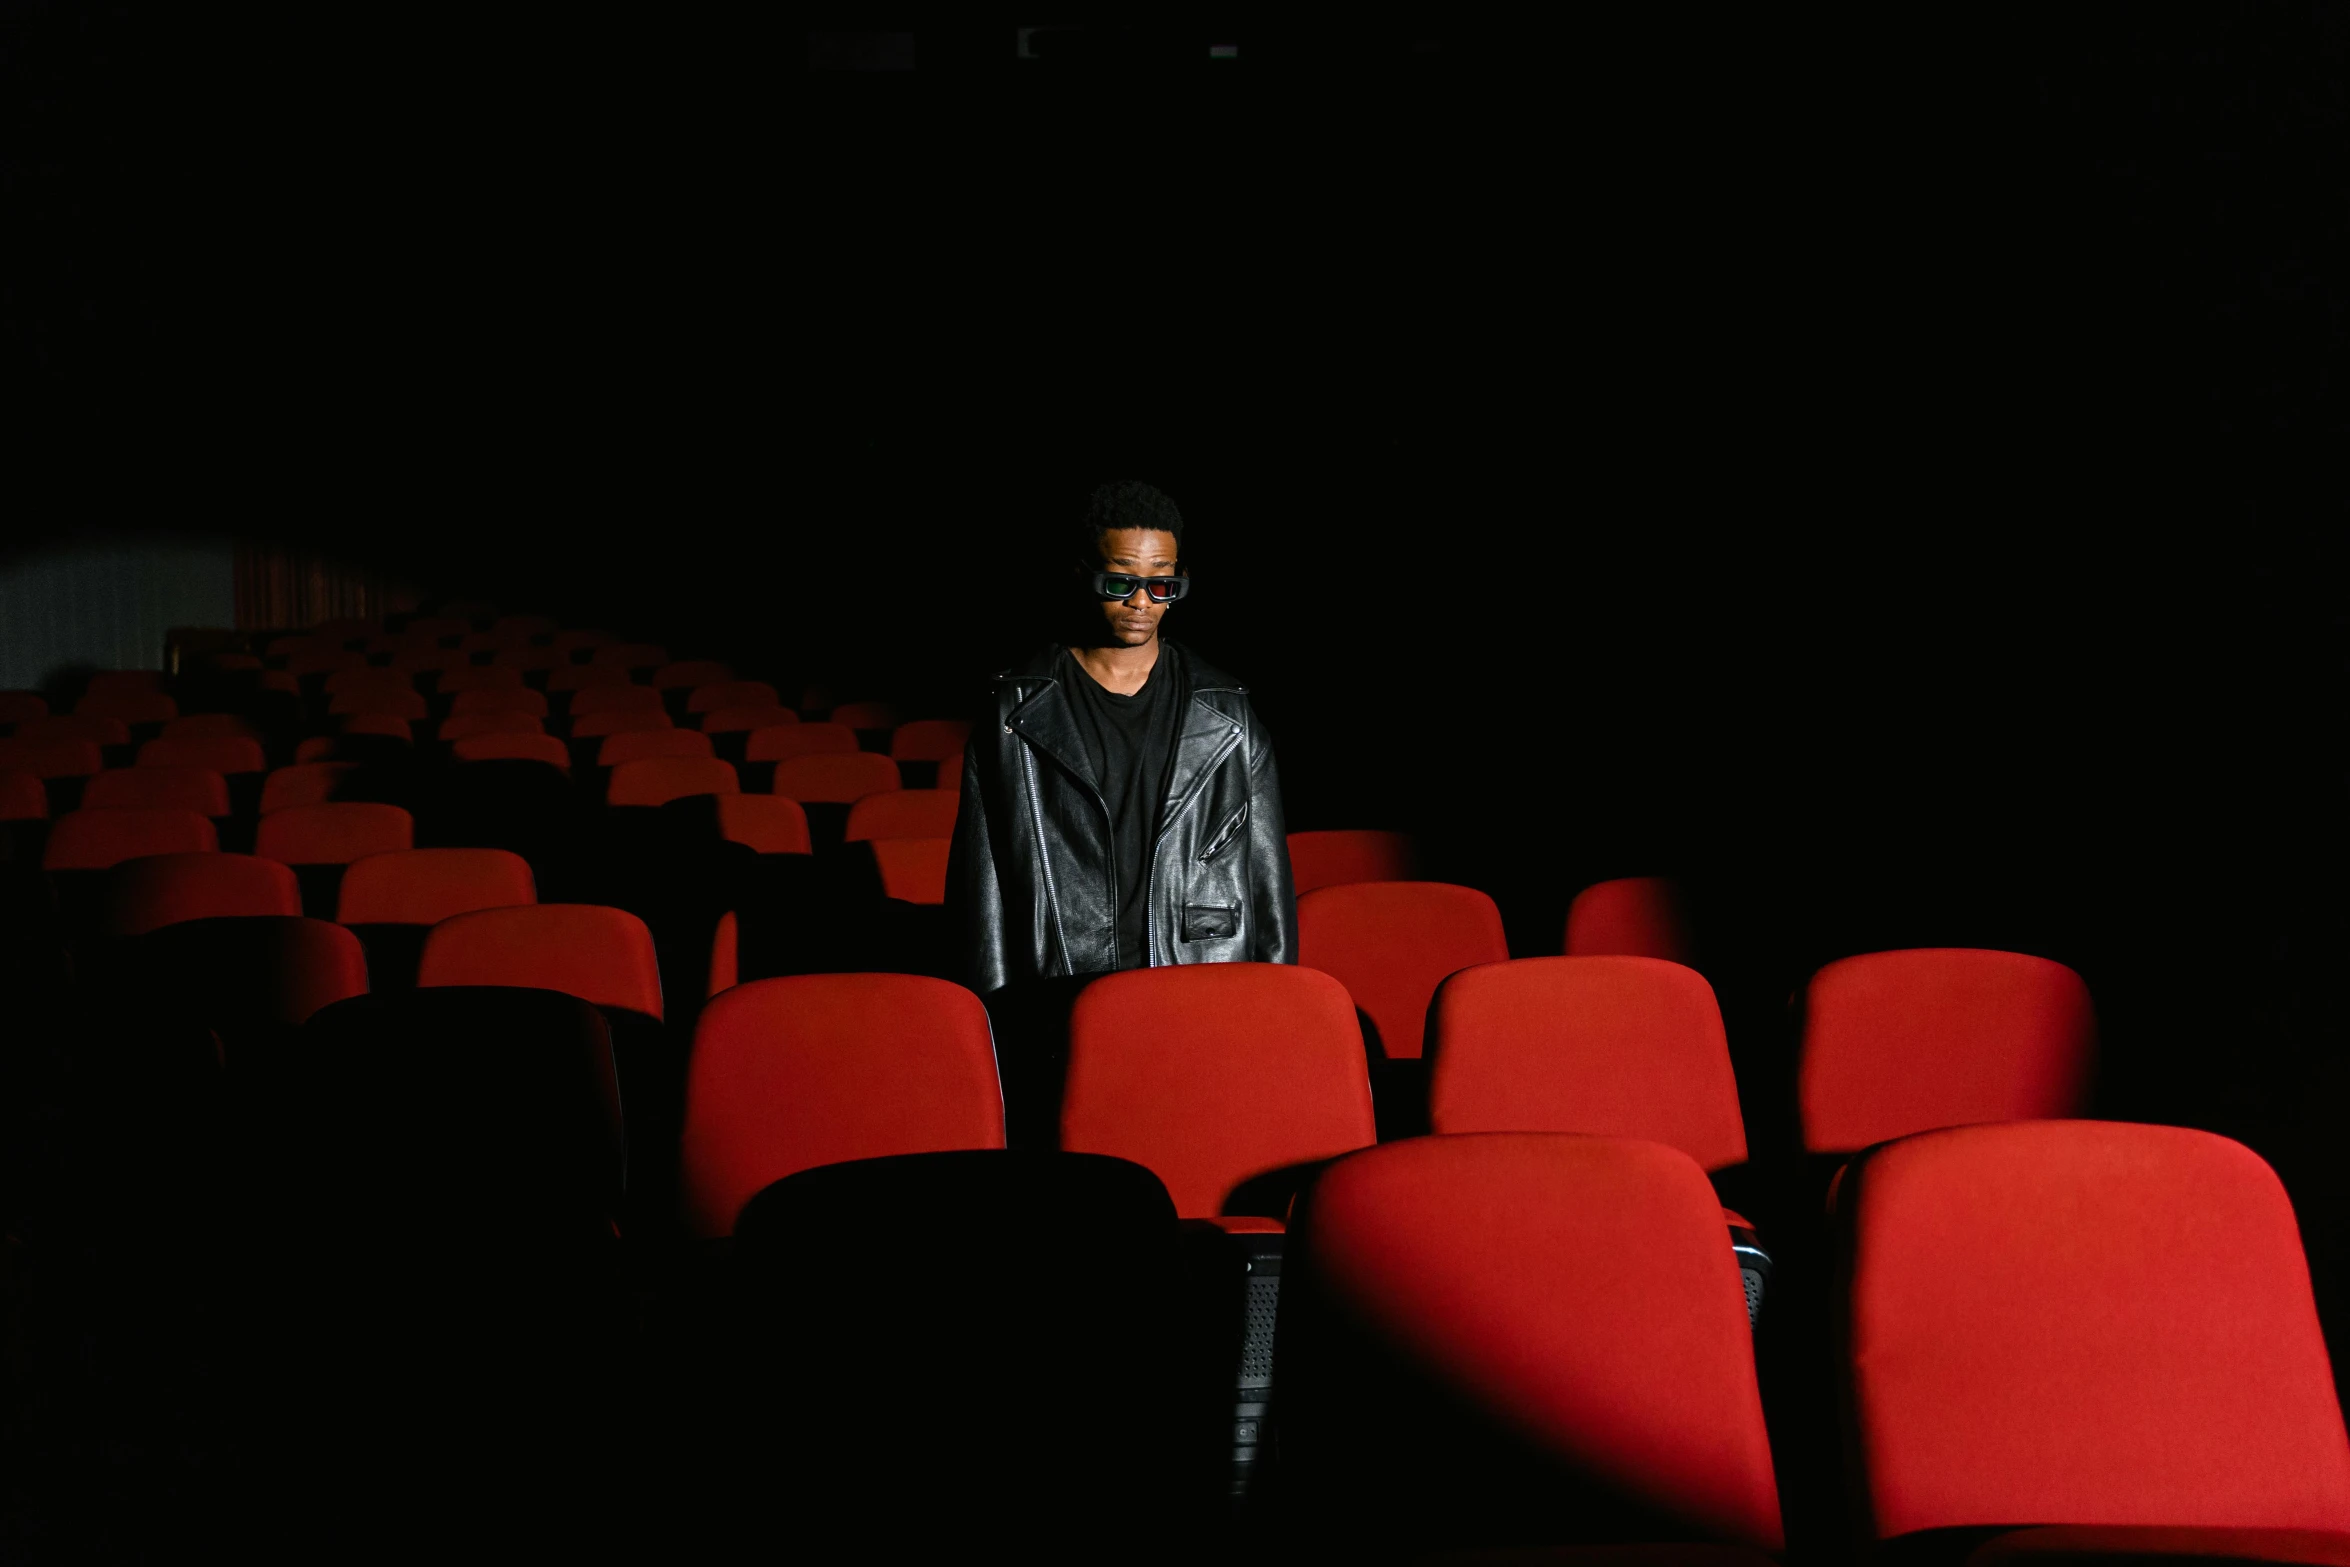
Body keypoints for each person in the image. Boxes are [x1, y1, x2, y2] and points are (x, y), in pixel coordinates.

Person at [948, 480, 1296, 994]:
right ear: (1081, 576)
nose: (1141, 601)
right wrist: (999, 1017)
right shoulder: (1015, 714)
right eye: (1120, 583)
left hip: (1199, 981)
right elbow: (982, 897)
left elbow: (1268, 887)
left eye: (1162, 585)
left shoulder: (1227, 713)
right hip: (1062, 986)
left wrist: (1274, 1002)